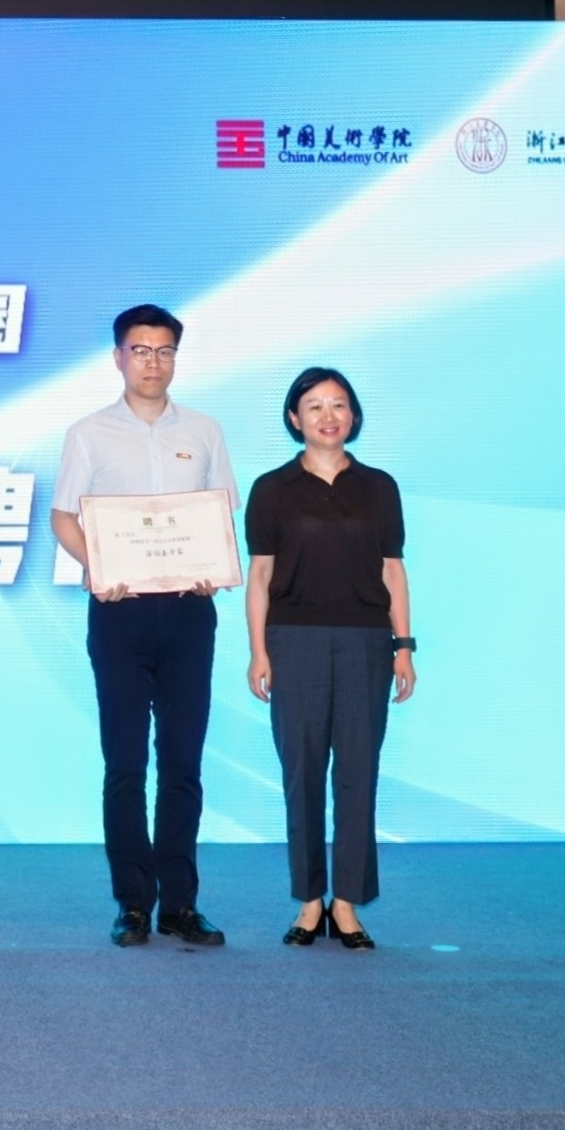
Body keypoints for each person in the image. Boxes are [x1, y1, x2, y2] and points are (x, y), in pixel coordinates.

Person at [50, 303, 239, 950]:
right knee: (125, 763)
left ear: (175, 358)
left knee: (182, 762)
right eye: (139, 350)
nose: (151, 362)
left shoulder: (205, 431)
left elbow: (218, 515)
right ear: (118, 357)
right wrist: (97, 564)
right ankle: (132, 903)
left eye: (163, 351)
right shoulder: (88, 433)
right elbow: (63, 517)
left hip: (188, 612)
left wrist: (213, 565)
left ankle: (180, 904)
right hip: (119, 612)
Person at [244, 367, 415, 951]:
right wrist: (258, 651)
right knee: (303, 772)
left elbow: (393, 570)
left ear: (354, 416)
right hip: (294, 642)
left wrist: (403, 647)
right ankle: (308, 901)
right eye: (314, 405)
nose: (328, 415)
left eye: (339, 404)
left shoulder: (379, 487)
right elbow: (260, 576)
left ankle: (347, 905)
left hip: (366, 642)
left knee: (358, 773)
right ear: (295, 418)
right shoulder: (272, 489)